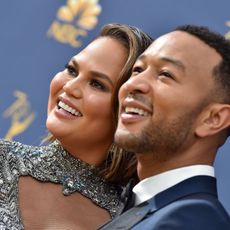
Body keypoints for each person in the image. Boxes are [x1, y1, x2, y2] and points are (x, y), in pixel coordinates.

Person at [0, 23, 152, 229]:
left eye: (97, 84)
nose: (70, 87)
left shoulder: (134, 220)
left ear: (128, 111)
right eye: (72, 70)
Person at [99, 25, 230, 230]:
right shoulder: (139, 205)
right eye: (138, 70)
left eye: (165, 74)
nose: (133, 84)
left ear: (213, 119)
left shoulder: (192, 221)